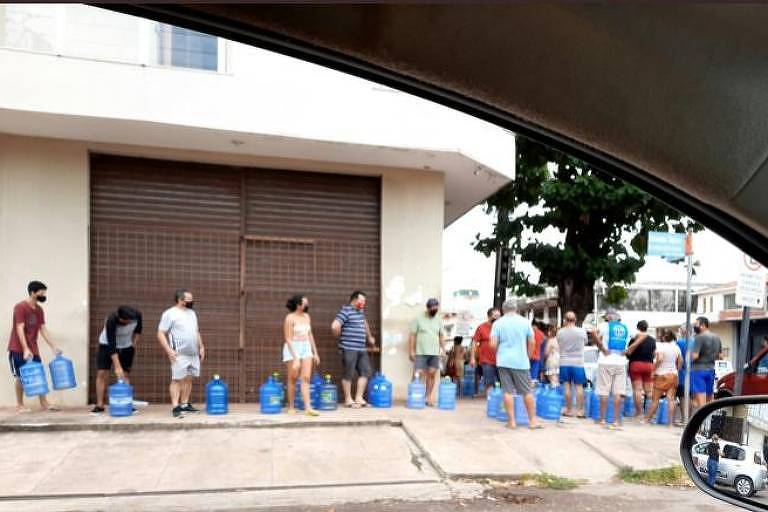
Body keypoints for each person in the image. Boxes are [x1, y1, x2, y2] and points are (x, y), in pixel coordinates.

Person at [7, 281, 61, 413]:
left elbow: (42, 329)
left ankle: (44, 403)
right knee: (20, 376)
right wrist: (25, 348)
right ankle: (20, 405)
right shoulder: (20, 307)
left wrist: (53, 346)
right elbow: (20, 328)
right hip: (18, 349)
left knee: (38, 375)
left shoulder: (39, 310)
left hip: (33, 348)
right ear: (33, 293)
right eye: (41, 293)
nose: (43, 296)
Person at [490, 298, 542, 430]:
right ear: (516, 309)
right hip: (521, 361)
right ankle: (532, 421)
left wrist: (499, 353)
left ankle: (512, 422)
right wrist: (528, 357)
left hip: (503, 361)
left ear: (503, 310)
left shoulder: (497, 324)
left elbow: (492, 344)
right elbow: (532, 342)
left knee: (507, 392)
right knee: (527, 392)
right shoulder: (525, 322)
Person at [157, 289, 205, 418]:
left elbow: (196, 331)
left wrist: (201, 347)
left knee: (189, 378)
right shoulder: (169, 314)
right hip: (179, 353)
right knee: (177, 379)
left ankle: (184, 404)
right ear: (180, 300)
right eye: (189, 299)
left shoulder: (192, 313)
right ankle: (175, 407)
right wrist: (169, 350)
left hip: (193, 353)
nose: (192, 302)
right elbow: (161, 333)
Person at [92, 306, 142, 415]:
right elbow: (112, 344)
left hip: (126, 346)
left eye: (130, 321)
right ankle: (99, 405)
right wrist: (117, 366)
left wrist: (133, 345)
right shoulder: (111, 320)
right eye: (126, 321)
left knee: (125, 375)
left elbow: (138, 331)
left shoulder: (137, 316)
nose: (129, 323)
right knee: (102, 372)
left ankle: (126, 403)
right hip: (106, 345)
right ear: (120, 318)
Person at [332, 291, 376, 408]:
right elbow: (335, 325)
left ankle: (359, 398)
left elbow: (364, 323)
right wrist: (337, 333)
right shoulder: (346, 310)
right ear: (354, 300)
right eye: (362, 301)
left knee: (366, 372)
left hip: (361, 348)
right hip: (348, 348)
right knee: (348, 374)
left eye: (364, 301)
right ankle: (348, 399)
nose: (363, 303)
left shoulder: (360, 312)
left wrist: (370, 337)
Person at [283, 295, 320, 416]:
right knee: (292, 378)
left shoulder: (307, 316)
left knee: (306, 378)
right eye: (305, 302)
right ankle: (291, 406)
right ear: (298, 305)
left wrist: (315, 353)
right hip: (293, 348)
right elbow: (288, 338)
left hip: (306, 348)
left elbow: (310, 335)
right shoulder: (289, 318)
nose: (307, 303)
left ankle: (308, 408)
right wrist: (295, 358)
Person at [595, 308, 630, 430]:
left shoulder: (604, 326)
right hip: (621, 362)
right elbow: (630, 344)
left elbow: (593, 333)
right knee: (618, 392)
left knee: (604, 391)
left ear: (609, 317)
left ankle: (603, 419)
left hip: (605, 361)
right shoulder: (626, 328)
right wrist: (627, 351)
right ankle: (616, 420)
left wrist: (602, 348)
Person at [409, 298, 445, 406]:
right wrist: (411, 350)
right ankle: (413, 396)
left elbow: (441, 335)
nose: (435, 310)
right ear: (428, 308)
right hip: (421, 352)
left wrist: (443, 349)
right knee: (417, 374)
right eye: (433, 309)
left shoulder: (438, 319)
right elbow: (412, 335)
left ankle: (428, 397)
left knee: (432, 374)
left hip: (434, 352)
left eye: (436, 308)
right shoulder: (418, 318)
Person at [643, 330, 682, 428]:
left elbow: (659, 359)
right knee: (671, 399)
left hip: (661, 375)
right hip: (673, 375)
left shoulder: (660, 346)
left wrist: (654, 370)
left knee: (655, 400)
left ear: (663, 338)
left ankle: (647, 419)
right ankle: (670, 424)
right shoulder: (676, 347)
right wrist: (676, 370)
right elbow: (680, 361)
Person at [557, 311, 588, 418]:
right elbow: (585, 342)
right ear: (575, 320)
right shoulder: (582, 331)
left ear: (565, 320)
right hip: (578, 362)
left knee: (567, 386)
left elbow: (559, 344)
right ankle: (580, 411)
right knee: (579, 387)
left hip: (564, 362)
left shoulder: (560, 332)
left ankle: (569, 410)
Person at [626, 320, 656, 418]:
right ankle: (650, 414)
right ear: (646, 328)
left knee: (637, 390)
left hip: (636, 365)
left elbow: (629, 352)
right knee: (650, 392)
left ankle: (639, 413)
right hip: (649, 365)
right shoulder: (652, 340)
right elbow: (654, 353)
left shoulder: (634, 339)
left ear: (637, 328)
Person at [691, 316, 722, 411]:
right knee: (709, 398)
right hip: (711, 370)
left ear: (703, 325)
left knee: (701, 400)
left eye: (696, 324)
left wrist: (688, 356)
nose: (694, 326)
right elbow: (720, 356)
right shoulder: (717, 337)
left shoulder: (699, 338)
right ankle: (708, 420)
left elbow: (695, 356)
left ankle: (701, 421)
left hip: (698, 370)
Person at [470, 308, 501, 396]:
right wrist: (472, 358)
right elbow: (474, 342)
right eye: (495, 316)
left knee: (503, 383)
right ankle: (490, 402)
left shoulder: (502, 327)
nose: (498, 318)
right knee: (489, 383)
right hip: (486, 360)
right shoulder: (481, 327)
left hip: (501, 359)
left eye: (499, 316)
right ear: (489, 316)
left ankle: (501, 403)